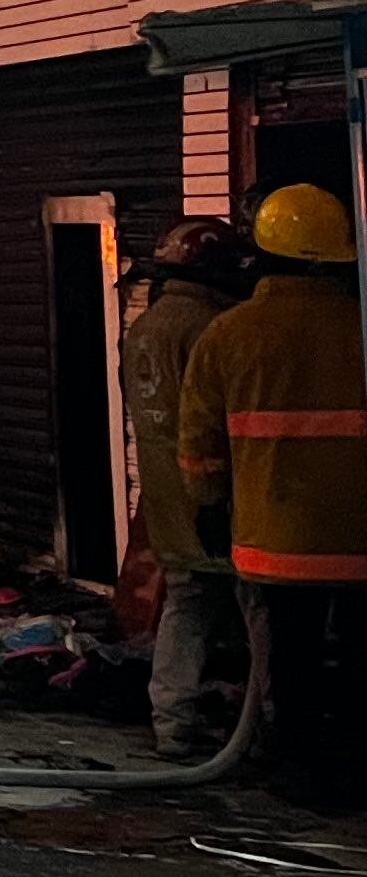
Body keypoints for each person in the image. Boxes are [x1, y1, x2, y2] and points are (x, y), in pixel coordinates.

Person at [179, 183, 367, 808]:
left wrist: (207, 504)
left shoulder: (229, 334)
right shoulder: (360, 327)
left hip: (275, 540)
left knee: (292, 662)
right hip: (359, 536)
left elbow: (198, 440)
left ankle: (298, 771)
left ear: (260, 254)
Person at [124, 214, 253, 759]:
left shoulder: (147, 325)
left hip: (169, 502)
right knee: (260, 614)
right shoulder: (210, 327)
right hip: (217, 501)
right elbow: (214, 421)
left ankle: (173, 721)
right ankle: (265, 725)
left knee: (187, 605)